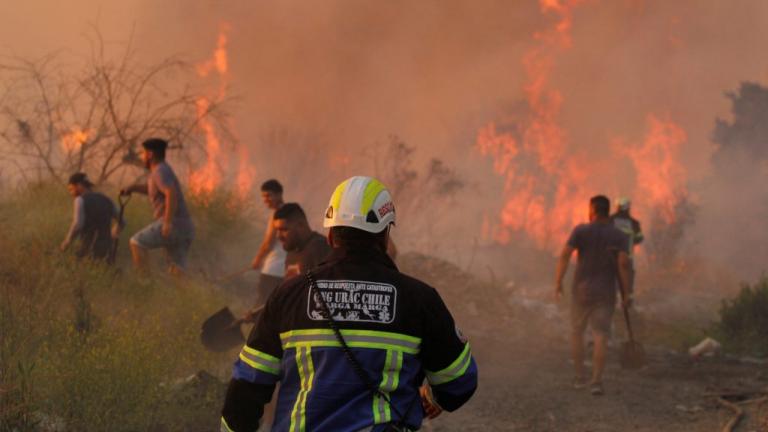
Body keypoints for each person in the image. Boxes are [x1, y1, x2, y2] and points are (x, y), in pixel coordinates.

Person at [221, 176, 478, 432]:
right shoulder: (418, 298)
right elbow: (459, 381)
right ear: (385, 237)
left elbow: (246, 389)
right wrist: (433, 398)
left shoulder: (288, 295)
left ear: (331, 234)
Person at [554, 195, 631, 396]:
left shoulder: (581, 230)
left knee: (577, 333)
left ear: (593, 210)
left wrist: (558, 282)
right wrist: (627, 293)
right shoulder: (619, 235)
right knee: (601, 335)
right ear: (607, 211)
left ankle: (580, 377)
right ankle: (596, 381)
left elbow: (565, 254)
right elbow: (623, 264)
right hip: (605, 293)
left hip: (581, 291)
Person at [120, 138, 195, 275]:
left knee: (136, 242)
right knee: (176, 269)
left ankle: (145, 284)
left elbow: (170, 193)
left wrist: (167, 222)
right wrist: (133, 188)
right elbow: (155, 190)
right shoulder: (163, 170)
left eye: (143, 153)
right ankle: (187, 295)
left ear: (150, 154)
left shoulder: (159, 171)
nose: (142, 157)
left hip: (174, 223)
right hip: (185, 226)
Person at [60, 172, 122, 261]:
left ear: (79, 185)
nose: (71, 193)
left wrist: (67, 242)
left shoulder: (80, 200)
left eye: (71, 189)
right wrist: (112, 235)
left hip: (88, 248)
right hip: (107, 250)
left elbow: (78, 224)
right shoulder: (106, 199)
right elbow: (122, 221)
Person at [250, 179, 287, 303]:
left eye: (268, 195)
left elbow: (268, 243)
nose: (266, 200)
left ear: (279, 194)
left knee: (262, 305)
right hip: (285, 272)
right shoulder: (292, 213)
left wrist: (257, 260)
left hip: (272, 269)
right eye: (264, 197)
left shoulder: (277, 214)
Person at [274, 203, 332, 279]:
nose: (278, 236)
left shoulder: (320, 247)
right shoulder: (292, 249)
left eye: (284, 229)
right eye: (277, 230)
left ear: (301, 225)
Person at [610, 197, 644, 292]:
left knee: (612, 279)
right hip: (628, 256)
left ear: (617, 207)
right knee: (628, 280)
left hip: (611, 256)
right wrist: (630, 241)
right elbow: (640, 238)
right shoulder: (634, 223)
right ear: (628, 208)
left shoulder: (610, 220)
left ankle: (612, 301)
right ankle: (627, 302)